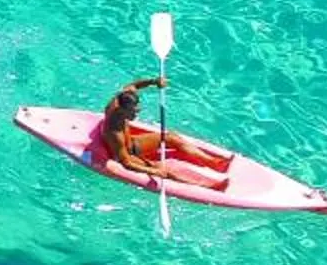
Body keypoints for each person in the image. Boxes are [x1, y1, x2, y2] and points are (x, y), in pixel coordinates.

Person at [96, 75, 232, 189]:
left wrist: (154, 81)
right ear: (121, 110)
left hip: (130, 143)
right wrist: (153, 171)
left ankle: (212, 162)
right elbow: (126, 163)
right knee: (165, 169)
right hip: (125, 155)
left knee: (171, 137)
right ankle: (210, 186)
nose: (137, 113)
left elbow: (134, 85)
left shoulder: (124, 97)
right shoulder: (114, 133)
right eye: (133, 111)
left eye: (137, 109)